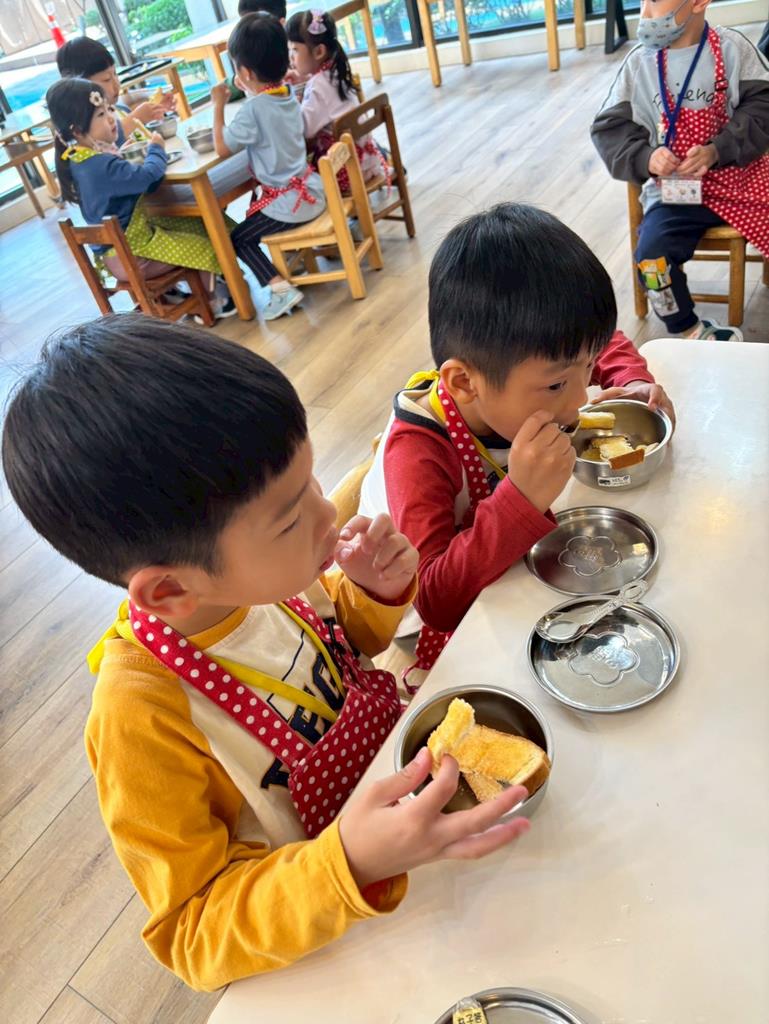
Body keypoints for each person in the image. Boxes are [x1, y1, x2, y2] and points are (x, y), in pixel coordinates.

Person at [1, 314, 532, 990]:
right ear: (169, 590)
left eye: (310, 482)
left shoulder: (266, 581)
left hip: (410, 833)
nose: (327, 513)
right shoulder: (142, 718)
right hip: (332, 930)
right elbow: (193, 933)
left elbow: (339, 644)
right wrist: (348, 863)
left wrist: (373, 592)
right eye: (289, 518)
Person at [358, 203, 676, 681]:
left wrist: (631, 381)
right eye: (556, 385)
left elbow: (603, 342)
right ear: (464, 382)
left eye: (587, 368)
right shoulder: (418, 451)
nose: (578, 402)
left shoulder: (520, 371)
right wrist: (521, 498)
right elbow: (434, 599)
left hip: (508, 555)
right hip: (439, 617)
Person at [591, 0, 769, 342]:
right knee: (651, 263)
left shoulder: (733, 48)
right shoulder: (638, 65)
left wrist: (719, 149)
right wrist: (646, 157)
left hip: (742, 182)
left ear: (699, 2)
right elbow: (608, 130)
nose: (646, 11)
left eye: (656, 0)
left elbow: (764, 106)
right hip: (673, 195)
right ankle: (688, 329)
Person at [47, 77, 236, 320]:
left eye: (109, 110)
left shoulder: (80, 160)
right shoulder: (101, 165)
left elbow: (135, 181)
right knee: (207, 240)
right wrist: (156, 148)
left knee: (199, 223)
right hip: (135, 256)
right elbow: (148, 177)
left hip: (121, 253)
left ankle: (178, 293)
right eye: (101, 115)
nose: (111, 118)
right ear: (76, 130)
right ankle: (212, 301)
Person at [212, 14, 326, 320]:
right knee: (248, 228)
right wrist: (251, 88)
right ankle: (284, 275)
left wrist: (218, 105)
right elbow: (265, 110)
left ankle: (279, 288)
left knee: (238, 238)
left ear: (245, 72)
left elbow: (222, 147)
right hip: (313, 192)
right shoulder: (286, 93)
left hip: (290, 206)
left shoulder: (253, 109)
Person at [286, 9, 382, 179]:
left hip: (347, 170)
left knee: (300, 181)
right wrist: (304, 79)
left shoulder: (316, 87)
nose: (290, 57)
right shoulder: (336, 71)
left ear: (319, 52)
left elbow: (305, 130)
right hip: (367, 159)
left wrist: (291, 100)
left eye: (295, 49)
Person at [56, 36, 175, 140]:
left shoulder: (120, 110)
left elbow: (145, 139)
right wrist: (136, 118)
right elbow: (105, 145)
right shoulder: (85, 127)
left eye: (115, 74)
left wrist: (156, 112)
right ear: (80, 86)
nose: (116, 84)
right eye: (106, 79)